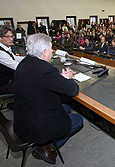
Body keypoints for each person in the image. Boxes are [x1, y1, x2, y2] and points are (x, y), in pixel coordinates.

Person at [14, 34, 83, 165]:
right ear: (44, 52)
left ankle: (44, 144)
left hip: (24, 117)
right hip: (37, 124)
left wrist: (59, 79)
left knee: (67, 108)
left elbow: (42, 82)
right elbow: (73, 90)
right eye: (51, 48)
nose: (53, 51)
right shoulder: (46, 70)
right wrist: (66, 79)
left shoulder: (25, 62)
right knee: (78, 120)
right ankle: (45, 146)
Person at [0, 25, 24, 95]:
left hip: (9, 81)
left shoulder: (6, 48)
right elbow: (16, 66)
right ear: (0, 38)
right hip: (4, 86)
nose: (10, 39)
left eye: (11, 36)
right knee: (33, 84)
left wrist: (31, 58)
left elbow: (15, 58)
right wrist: (34, 65)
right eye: (7, 37)